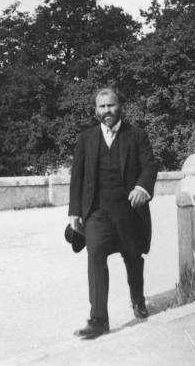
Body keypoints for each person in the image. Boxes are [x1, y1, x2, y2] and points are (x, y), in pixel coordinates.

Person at [68, 87, 158, 339]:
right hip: (96, 212)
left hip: (129, 211)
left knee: (132, 257)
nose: (107, 111)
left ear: (121, 106)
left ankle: (138, 299)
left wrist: (142, 186)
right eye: (102, 107)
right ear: (95, 110)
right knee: (95, 255)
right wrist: (74, 211)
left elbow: (150, 166)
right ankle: (98, 319)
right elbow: (77, 177)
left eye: (111, 105)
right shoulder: (86, 138)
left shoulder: (137, 135)